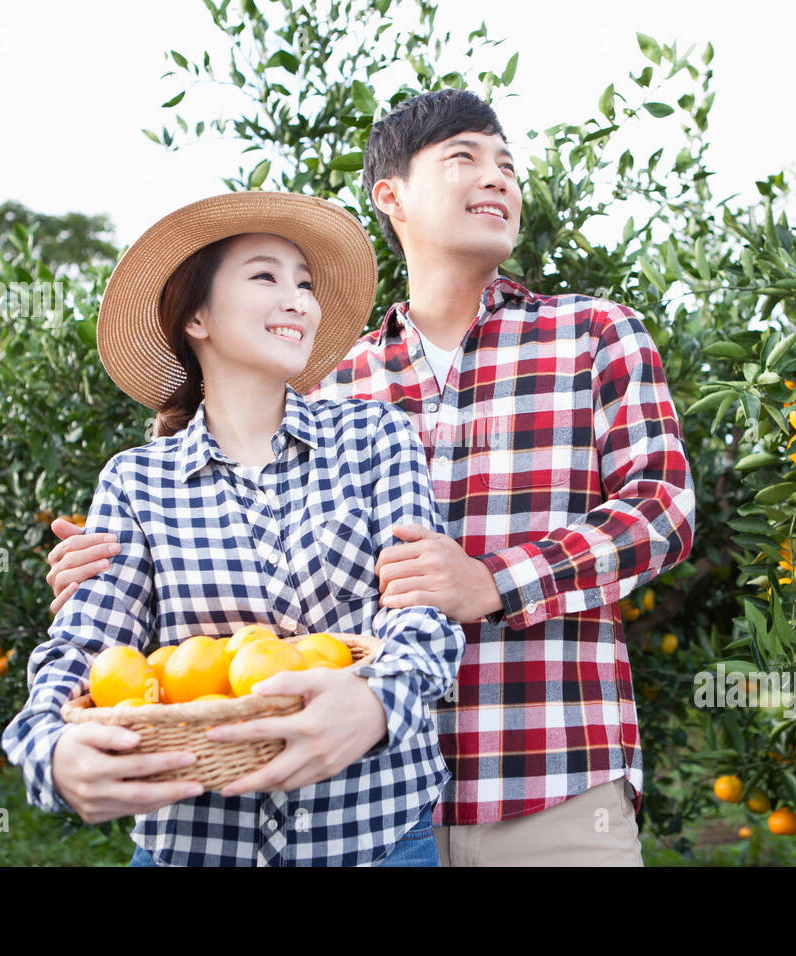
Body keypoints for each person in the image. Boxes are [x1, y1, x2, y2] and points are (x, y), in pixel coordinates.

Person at [45, 89, 695, 866]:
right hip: (356, 805)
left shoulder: (592, 334)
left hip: (547, 780)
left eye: (507, 165)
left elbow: (661, 510)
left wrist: (493, 582)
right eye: (465, 158)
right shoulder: (334, 382)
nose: (497, 178)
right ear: (391, 196)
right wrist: (117, 572)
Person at [2, 191, 464, 867]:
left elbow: (424, 614)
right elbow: (89, 645)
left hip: (373, 837)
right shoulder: (136, 482)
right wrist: (50, 751)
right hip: (196, 847)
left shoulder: (376, 439)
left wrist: (376, 705)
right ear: (196, 314)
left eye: (305, 284)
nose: (299, 300)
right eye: (266, 276)